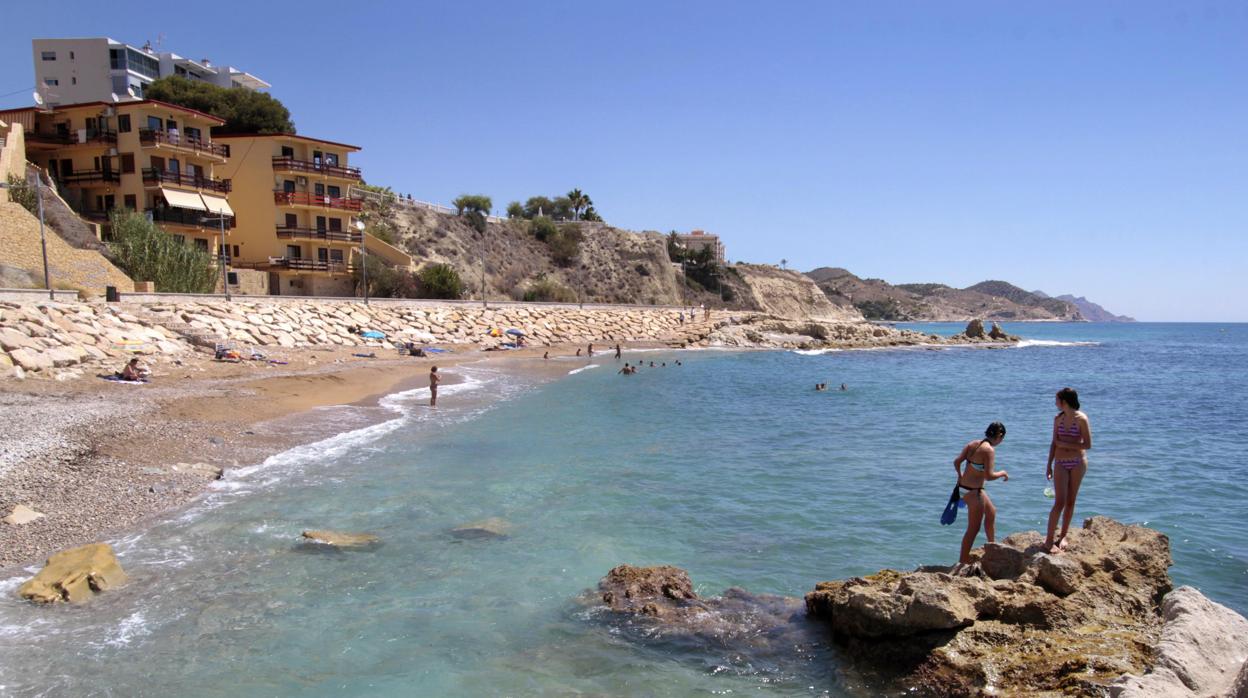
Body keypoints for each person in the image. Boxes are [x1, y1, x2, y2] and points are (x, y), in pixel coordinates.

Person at [1044, 388, 1092, 553]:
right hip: (1060, 463)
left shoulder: (1082, 419)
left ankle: (1063, 536)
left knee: (1071, 501)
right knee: (1059, 502)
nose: (1055, 403)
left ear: (1064, 401)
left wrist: (1066, 445)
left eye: (1057, 400)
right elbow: (1053, 443)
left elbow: (1087, 444)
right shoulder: (1058, 419)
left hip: (1078, 462)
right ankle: (1049, 540)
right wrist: (1049, 464)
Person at [953, 422, 1009, 565]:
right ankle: (962, 561)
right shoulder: (988, 450)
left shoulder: (973, 444)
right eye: (1002, 439)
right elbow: (989, 476)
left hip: (965, 488)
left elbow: (957, 461)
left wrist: (960, 476)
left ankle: (992, 547)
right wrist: (1002, 473)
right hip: (973, 493)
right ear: (999, 436)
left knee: (991, 512)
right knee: (973, 529)